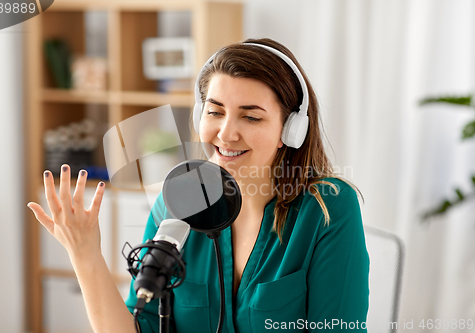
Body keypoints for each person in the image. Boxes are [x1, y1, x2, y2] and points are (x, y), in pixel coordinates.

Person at [28, 38, 369, 332]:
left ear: (290, 130)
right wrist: (85, 254)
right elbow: (141, 326)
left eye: (251, 116)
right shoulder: (177, 199)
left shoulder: (329, 209)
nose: (226, 133)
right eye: (215, 112)